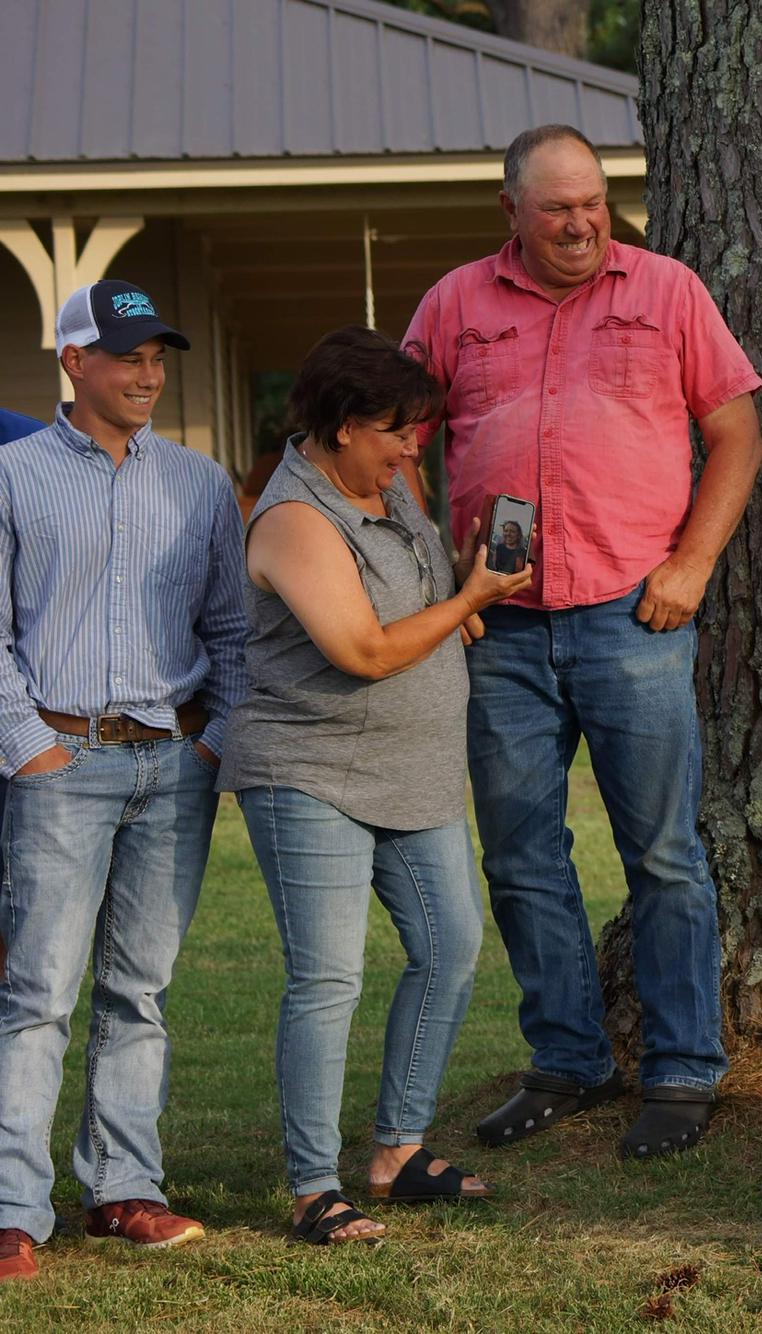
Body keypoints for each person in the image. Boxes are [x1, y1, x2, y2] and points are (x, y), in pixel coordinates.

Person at [403, 124, 762, 1159]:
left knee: (663, 854)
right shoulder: (455, 305)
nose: (579, 222)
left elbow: (735, 430)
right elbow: (389, 441)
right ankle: (565, 1058)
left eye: (593, 202)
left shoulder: (665, 290)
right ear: (510, 210)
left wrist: (691, 563)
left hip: (632, 617)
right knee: (520, 853)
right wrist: (441, 580)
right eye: (557, 206)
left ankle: (684, 1069)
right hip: (502, 629)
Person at [217, 327, 534, 1246]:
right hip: (310, 769)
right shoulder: (293, 520)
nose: (413, 448)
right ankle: (314, 1187)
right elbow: (358, 650)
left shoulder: (390, 491)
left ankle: (397, 1151)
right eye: (398, 432)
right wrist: (467, 605)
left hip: (413, 771)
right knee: (327, 978)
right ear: (346, 426)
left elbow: (412, 608)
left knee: (451, 946)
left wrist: (460, 592)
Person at [0, 281, 248, 1282]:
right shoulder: (12, 476)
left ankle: (123, 1187)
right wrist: (33, 746)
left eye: (159, 356)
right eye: (128, 354)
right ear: (74, 361)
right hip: (59, 763)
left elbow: (230, 632)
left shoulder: (197, 483)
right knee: (37, 992)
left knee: (139, 990)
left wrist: (212, 742)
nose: (149, 372)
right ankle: (14, 1206)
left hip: (172, 763)